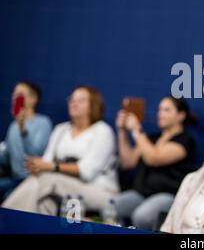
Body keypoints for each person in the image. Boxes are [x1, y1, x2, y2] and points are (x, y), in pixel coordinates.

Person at [2, 86, 119, 216]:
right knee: (45, 199)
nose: (74, 103)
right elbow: (46, 161)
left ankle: (7, 218)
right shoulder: (61, 129)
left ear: (93, 105)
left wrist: (51, 167)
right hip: (60, 186)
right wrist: (37, 166)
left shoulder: (102, 131)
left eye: (81, 100)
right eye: (72, 99)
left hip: (100, 191)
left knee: (48, 179)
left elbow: (87, 172)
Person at [112, 96, 197, 230]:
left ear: (181, 115)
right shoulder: (151, 138)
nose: (160, 114)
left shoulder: (185, 141)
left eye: (166, 110)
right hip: (142, 192)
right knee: (111, 207)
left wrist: (136, 130)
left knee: (142, 216)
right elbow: (128, 162)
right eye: (159, 110)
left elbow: (154, 158)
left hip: (168, 194)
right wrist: (122, 131)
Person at [0, 82, 52, 201]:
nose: (14, 97)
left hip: (31, 180)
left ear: (33, 99)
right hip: (13, 178)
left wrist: (22, 128)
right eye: (14, 94)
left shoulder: (43, 123)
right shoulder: (13, 126)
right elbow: (7, 158)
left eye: (19, 95)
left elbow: (36, 153)